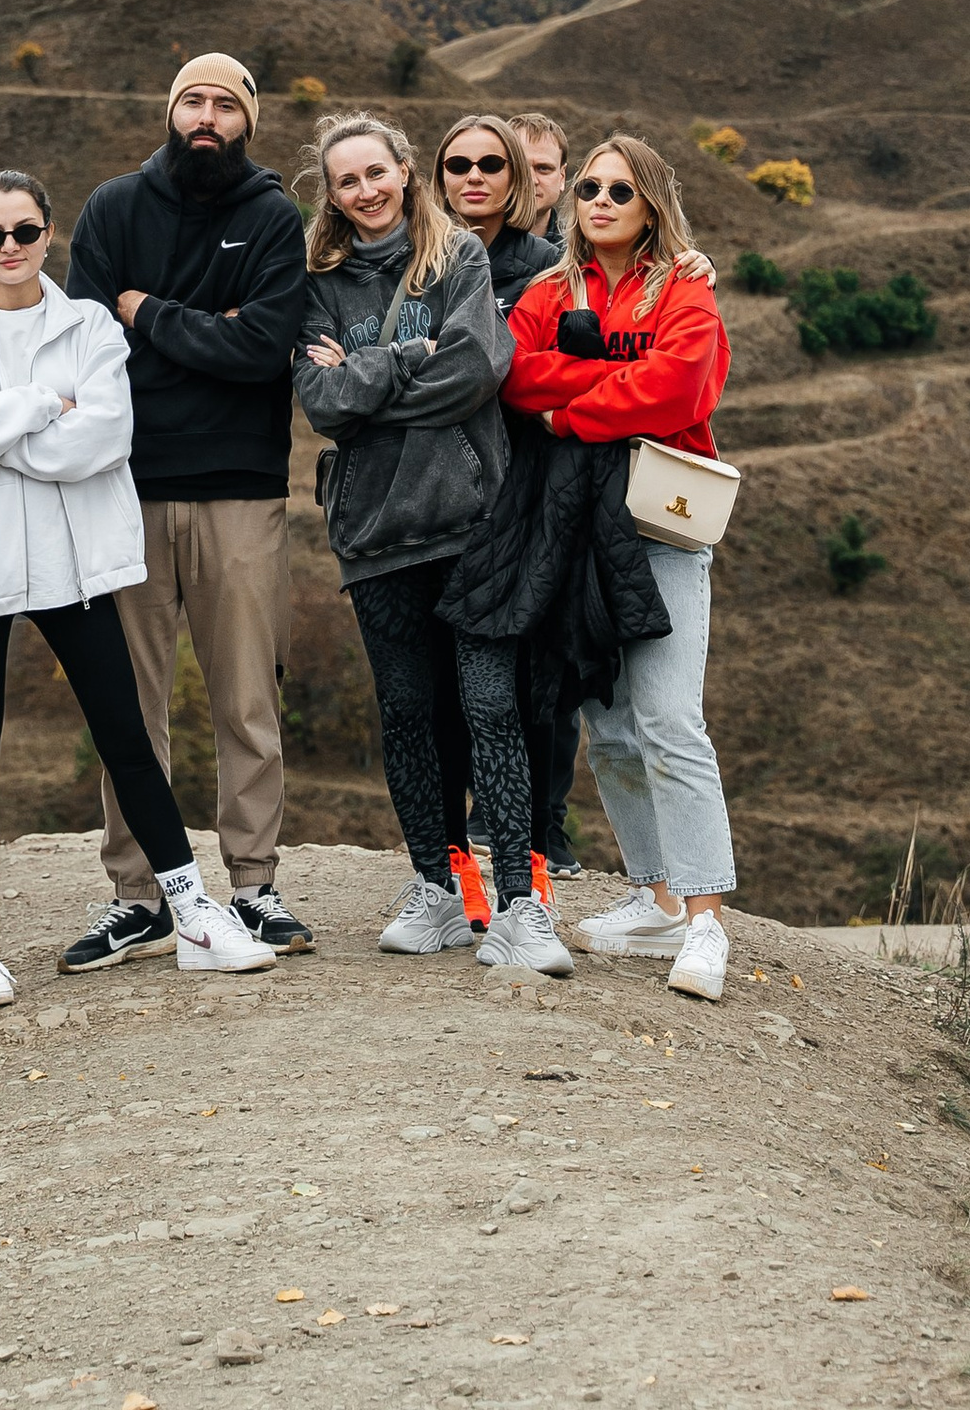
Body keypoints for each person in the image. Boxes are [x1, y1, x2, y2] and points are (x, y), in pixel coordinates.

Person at [0, 169, 278, 1007]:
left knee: (126, 737)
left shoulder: (88, 326)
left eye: (25, 231)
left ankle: (190, 912)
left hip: (71, 565)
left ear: (50, 234)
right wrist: (45, 403)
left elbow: (102, 438)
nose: (10, 248)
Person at [294, 112, 568, 979]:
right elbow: (321, 402)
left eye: (377, 172)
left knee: (493, 709)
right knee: (408, 712)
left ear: (407, 172)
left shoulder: (460, 258)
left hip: (471, 518)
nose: (366, 190)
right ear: (332, 195)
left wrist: (370, 374)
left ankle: (522, 909)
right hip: (374, 531)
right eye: (347, 180)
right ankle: (435, 889)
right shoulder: (319, 281)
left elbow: (473, 371)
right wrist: (409, 357)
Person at [54, 54, 313, 966]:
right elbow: (84, 345)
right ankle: (140, 892)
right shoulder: (113, 208)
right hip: (123, 487)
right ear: (170, 109)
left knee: (246, 695)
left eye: (225, 104)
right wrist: (206, 328)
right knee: (130, 704)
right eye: (192, 100)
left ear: (249, 120)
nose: (208, 116)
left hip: (240, 488)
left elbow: (260, 349)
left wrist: (148, 312)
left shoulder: (274, 217)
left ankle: (253, 884)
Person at [503, 134, 737, 1001]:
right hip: (574, 532)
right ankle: (655, 897)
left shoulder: (685, 285)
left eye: (620, 189)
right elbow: (517, 376)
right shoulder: (545, 290)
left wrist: (572, 414)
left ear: (651, 204)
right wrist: (604, 380)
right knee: (610, 726)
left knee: (672, 717)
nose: (598, 199)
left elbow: (681, 390)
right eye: (589, 187)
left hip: (661, 525)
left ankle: (706, 922)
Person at [425, 117, 574, 902]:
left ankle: (536, 861)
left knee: (529, 693)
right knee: (442, 697)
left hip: (526, 500)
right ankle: (455, 867)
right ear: (438, 174)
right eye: (457, 164)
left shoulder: (550, 266)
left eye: (491, 163)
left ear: (517, 176)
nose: (473, 176)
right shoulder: (420, 261)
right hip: (438, 502)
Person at [512, 111, 571, 240]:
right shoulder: (465, 248)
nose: (532, 180)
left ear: (562, 176)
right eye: (521, 168)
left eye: (543, 168)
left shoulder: (581, 252)